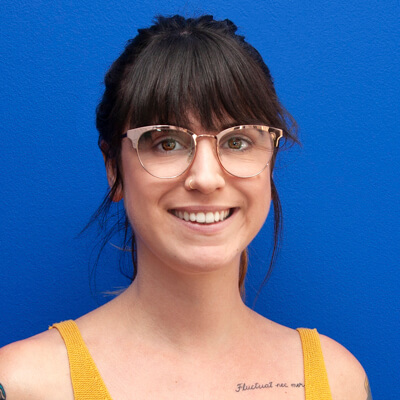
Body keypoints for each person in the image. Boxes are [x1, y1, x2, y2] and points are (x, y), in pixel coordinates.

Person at [0, 15, 371, 400]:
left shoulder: (337, 381)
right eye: (167, 143)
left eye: (238, 142)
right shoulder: (26, 384)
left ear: (270, 164)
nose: (206, 178)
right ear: (114, 169)